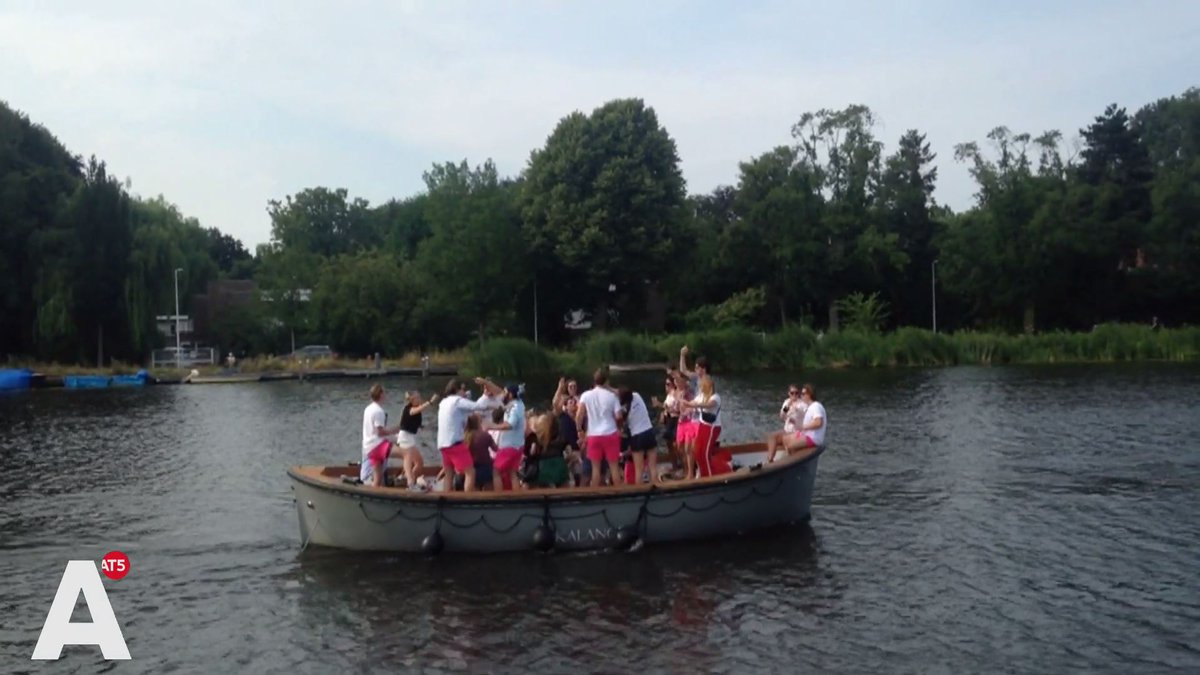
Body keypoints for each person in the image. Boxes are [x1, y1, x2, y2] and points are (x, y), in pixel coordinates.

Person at [436, 378, 501, 492]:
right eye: (463, 389)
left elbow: (458, 417)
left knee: (449, 473)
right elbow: (478, 406)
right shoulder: (457, 400)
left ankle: (445, 499)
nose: (464, 392)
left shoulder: (443, 402)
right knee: (470, 472)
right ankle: (468, 500)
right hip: (454, 443)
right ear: (456, 389)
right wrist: (498, 407)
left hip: (442, 444)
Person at [576, 368, 623, 487]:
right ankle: (619, 494)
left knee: (595, 469)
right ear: (606, 381)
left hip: (593, 435)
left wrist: (579, 430)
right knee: (614, 468)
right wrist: (619, 428)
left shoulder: (586, 395)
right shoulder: (612, 396)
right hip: (610, 433)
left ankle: (595, 495)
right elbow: (618, 416)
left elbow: (579, 415)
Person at [681, 375, 729, 477]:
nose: (701, 388)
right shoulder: (701, 396)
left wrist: (693, 405)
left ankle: (709, 476)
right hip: (703, 425)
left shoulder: (715, 397)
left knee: (705, 453)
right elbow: (693, 402)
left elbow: (709, 405)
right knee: (697, 452)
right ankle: (702, 473)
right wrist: (686, 404)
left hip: (712, 427)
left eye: (702, 386)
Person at [767, 384, 826, 462]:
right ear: (789, 393)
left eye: (797, 393)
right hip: (787, 430)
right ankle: (770, 460)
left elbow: (813, 419)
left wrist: (797, 410)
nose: (795, 395)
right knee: (772, 437)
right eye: (792, 393)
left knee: (789, 444)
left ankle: (790, 462)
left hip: (796, 431)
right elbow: (782, 416)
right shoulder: (787, 402)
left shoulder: (803, 404)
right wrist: (788, 406)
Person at [361, 384, 403, 487]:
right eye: (384, 392)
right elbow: (380, 432)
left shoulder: (368, 409)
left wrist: (394, 436)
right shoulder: (379, 411)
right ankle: (408, 481)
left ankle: (372, 497)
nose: (385, 395)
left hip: (368, 447)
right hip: (377, 445)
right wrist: (396, 429)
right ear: (380, 394)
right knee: (406, 454)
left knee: (378, 478)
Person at [396, 390, 438, 490]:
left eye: (420, 397)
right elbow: (417, 410)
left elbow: (416, 424)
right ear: (412, 400)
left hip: (410, 438)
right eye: (417, 397)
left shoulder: (416, 410)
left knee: (419, 462)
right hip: (405, 439)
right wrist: (430, 402)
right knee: (412, 462)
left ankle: (407, 479)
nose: (420, 399)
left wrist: (427, 426)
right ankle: (409, 482)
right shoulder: (409, 409)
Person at [489, 384, 526, 491]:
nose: (503, 394)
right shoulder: (520, 404)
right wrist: (486, 383)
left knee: (496, 471)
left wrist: (492, 426)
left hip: (508, 446)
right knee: (512, 472)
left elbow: (510, 424)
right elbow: (499, 392)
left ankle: (499, 498)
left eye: (505, 392)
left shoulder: (513, 408)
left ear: (510, 394)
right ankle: (516, 497)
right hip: (518, 446)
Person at [618, 387, 657, 484]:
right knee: (652, 466)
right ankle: (655, 487)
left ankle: (639, 490)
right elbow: (622, 391)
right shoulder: (637, 396)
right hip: (649, 431)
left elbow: (621, 423)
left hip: (637, 436)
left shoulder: (624, 411)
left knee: (639, 469)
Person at [529, 412, 571, 488]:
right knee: (564, 489)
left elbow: (532, 453)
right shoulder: (561, 439)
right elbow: (569, 451)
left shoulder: (538, 441)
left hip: (544, 468)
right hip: (560, 466)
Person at [464, 413, 497, 491]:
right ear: (479, 423)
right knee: (489, 490)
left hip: (472, 468)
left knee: (475, 491)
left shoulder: (465, 436)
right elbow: (496, 449)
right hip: (486, 467)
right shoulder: (486, 435)